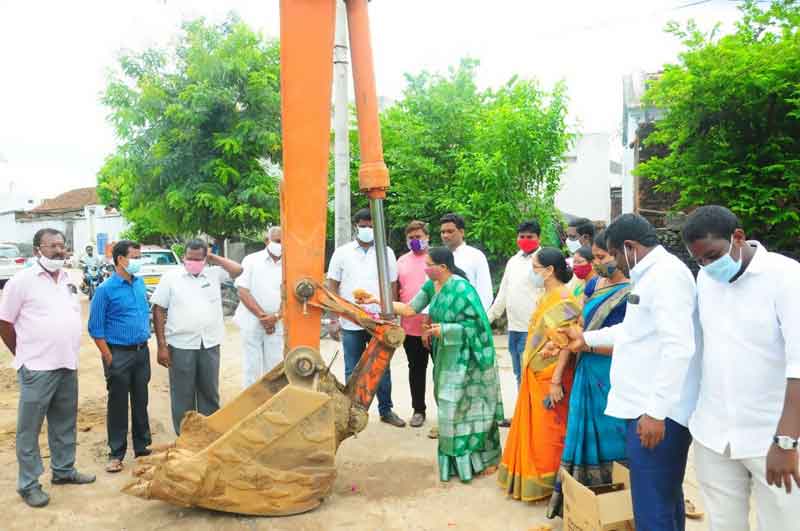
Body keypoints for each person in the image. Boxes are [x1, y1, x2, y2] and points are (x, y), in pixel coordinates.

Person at [562, 213, 700, 531]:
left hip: (654, 414)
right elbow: (634, 331)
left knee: (652, 507)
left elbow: (678, 347)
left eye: (612, 255)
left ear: (629, 247)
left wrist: (656, 412)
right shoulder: (648, 274)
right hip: (644, 407)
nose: (613, 264)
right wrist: (586, 339)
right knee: (662, 500)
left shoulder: (666, 276)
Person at [682, 205, 800, 530]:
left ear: (738, 237)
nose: (707, 265)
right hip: (713, 434)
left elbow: (798, 364)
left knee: (783, 525)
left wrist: (787, 441)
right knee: (723, 524)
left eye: (712, 255)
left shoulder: (786, 277)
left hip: (771, 437)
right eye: (699, 260)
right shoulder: (706, 281)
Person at [378, 247, 504, 482]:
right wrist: (378, 301)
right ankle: (456, 463)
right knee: (447, 407)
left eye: (429, 265)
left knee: (468, 408)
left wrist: (446, 329)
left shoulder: (462, 289)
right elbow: (409, 309)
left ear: (443, 267)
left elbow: (478, 326)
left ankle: (484, 459)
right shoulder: (430, 286)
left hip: (467, 358)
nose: (425, 269)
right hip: (445, 354)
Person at [0, 229, 96, 508]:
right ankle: (28, 484)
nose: (59, 250)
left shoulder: (68, 279)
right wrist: (24, 353)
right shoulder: (21, 281)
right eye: (51, 246)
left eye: (62, 245)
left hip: (67, 362)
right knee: (29, 429)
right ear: (36, 250)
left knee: (64, 422)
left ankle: (64, 471)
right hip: (37, 367)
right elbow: (5, 323)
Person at [546, 230, 631, 518]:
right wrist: (559, 343)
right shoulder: (595, 283)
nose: (596, 263)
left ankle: (615, 504)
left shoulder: (632, 294)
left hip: (609, 373)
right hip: (585, 367)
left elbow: (627, 343)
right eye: (594, 256)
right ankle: (581, 504)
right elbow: (579, 324)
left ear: (619, 255)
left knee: (612, 434)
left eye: (602, 257)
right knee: (580, 432)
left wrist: (583, 344)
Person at [498, 248, 581, 501]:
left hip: (552, 376)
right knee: (534, 432)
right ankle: (529, 479)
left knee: (550, 433)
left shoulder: (565, 299)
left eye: (535, 267)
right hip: (534, 372)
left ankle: (549, 484)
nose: (532, 271)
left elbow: (568, 343)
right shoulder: (546, 295)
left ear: (549, 271)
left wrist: (556, 379)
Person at [150, 239, 243, 434]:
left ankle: (209, 434)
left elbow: (238, 270)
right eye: (189, 259)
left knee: (209, 392)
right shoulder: (172, 277)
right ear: (183, 257)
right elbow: (158, 309)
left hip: (209, 344)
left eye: (198, 259)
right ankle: (185, 435)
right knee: (182, 394)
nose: (192, 262)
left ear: (204, 259)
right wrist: (162, 346)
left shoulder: (213, 274)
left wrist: (212, 257)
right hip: (181, 345)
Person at [327, 208, 405, 427]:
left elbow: (392, 285)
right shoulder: (342, 253)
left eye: (371, 226)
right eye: (363, 226)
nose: (367, 229)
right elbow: (332, 285)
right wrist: (333, 319)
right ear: (356, 227)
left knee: (382, 366)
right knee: (352, 366)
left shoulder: (386, 252)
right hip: (350, 319)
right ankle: (351, 411)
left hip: (379, 320)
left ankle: (386, 410)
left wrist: (391, 316)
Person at [88, 239, 152, 474]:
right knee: (117, 404)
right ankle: (116, 453)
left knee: (141, 400)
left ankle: (143, 446)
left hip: (141, 352)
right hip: (118, 354)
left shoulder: (139, 283)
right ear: (120, 260)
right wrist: (108, 357)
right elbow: (95, 328)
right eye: (135, 257)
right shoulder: (105, 290)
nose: (138, 261)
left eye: (139, 256)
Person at [487, 220, 544, 387]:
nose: (525, 239)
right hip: (514, 329)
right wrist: (488, 318)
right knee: (519, 374)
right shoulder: (513, 261)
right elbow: (503, 293)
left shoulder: (544, 260)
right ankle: (522, 412)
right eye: (522, 236)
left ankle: (531, 413)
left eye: (530, 236)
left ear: (538, 238)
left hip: (534, 329)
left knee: (531, 375)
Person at [234, 227, 285, 388]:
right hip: (252, 321)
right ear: (266, 241)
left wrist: (275, 317)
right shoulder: (251, 260)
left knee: (275, 368)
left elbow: (291, 295)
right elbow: (242, 291)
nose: (281, 245)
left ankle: (272, 407)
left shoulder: (291, 264)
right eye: (277, 241)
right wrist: (264, 317)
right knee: (252, 367)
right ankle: (250, 407)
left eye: (284, 241)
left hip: (277, 323)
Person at [396, 220, 432, 428]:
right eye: (411, 238)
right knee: (416, 370)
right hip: (410, 327)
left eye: (419, 237)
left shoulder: (435, 260)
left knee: (442, 371)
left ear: (427, 237)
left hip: (436, 327)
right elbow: (395, 291)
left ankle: (446, 412)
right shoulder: (401, 262)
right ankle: (419, 410)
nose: (415, 241)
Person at [439, 213, 493, 310]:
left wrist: (476, 318)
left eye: (450, 231)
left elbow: (485, 293)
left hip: (468, 318)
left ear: (461, 232)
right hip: (440, 319)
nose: (445, 235)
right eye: (443, 232)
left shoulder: (476, 256)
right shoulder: (436, 257)